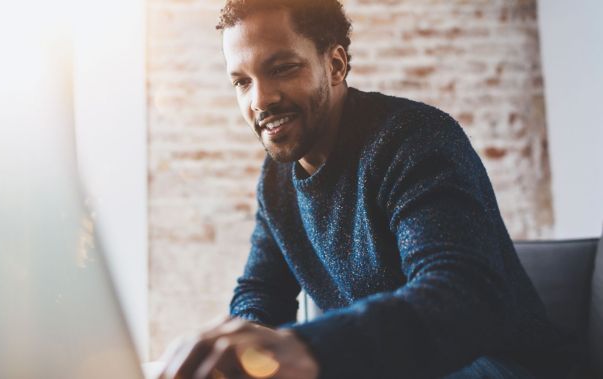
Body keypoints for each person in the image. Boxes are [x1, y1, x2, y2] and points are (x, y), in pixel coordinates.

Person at [158, 1, 574, 378]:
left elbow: (460, 297)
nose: (261, 99)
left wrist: (307, 347)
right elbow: (261, 292)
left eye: (281, 68)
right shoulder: (277, 180)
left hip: (502, 364)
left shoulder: (413, 140)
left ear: (336, 65)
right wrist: (243, 352)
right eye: (242, 82)